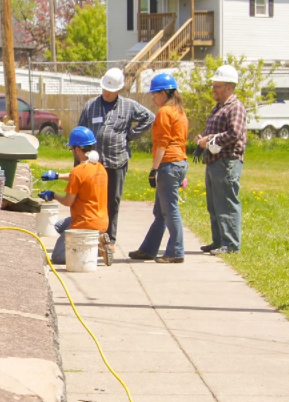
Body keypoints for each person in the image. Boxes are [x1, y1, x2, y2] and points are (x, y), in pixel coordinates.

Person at [50, 68, 153, 251]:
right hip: (92, 164)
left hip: (116, 161)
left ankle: (108, 241)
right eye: (104, 88)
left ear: (119, 90)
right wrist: (78, 163)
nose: (106, 92)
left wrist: (130, 135)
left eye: (110, 90)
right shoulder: (91, 105)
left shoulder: (128, 106)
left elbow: (149, 117)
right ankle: (86, 234)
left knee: (112, 200)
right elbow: (80, 130)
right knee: (87, 200)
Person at [129, 74, 189, 263]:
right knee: (160, 211)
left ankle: (175, 252)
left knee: (170, 210)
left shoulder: (164, 112)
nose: (153, 98)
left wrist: (154, 169)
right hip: (179, 162)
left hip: (168, 164)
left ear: (164, 93)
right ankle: (149, 249)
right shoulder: (180, 111)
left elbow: (163, 142)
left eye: (155, 94)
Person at [195, 64, 247, 255]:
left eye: (217, 85)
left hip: (227, 162)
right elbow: (215, 132)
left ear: (229, 87)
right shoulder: (219, 107)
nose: (213, 89)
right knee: (215, 204)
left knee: (226, 202)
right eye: (214, 85)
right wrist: (203, 138)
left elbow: (235, 133)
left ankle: (231, 244)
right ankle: (218, 241)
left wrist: (211, 140)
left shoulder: (235, 107)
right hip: (214, 161)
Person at [39, 126, 108, 266]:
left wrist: (53, 195)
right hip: (101, 220)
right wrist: (57, 176)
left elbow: (68, 202)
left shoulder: (78, 171)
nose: (72, 152)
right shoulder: (100, 167)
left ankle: (97, 249)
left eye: (71, 149)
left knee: (57, 257)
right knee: (59, 225)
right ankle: (96, 238)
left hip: (84, 223)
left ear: (77, 149)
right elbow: (80, 178)